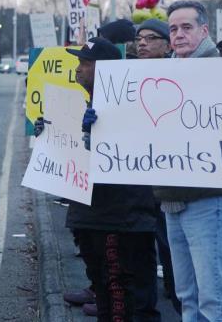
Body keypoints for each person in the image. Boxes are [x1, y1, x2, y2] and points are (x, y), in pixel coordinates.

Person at [153, 0, 222, 322]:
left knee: (213, 297)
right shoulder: (157, 78)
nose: (178, 35)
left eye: (186, 27)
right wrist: (100, 126)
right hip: (170, 199)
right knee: (187, 295)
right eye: (173, 28)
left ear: (204, 31)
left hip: (206, 198)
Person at [42, 37, 159, 321]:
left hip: (119, 214)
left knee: (117, 285)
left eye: (85, 63)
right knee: (102, 285)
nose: (78, 69)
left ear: (104, 70)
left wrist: (99, 131)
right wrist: (47, 134)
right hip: (90, 210)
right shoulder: (83, 104)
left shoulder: (133, 105)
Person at [134, 19, 181, 315]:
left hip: (170, 178)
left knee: (171, 249)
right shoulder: (124, 77)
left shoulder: (181, 76)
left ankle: (179, 301)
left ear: (167, 45)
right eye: (139, 38)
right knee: (139, 253)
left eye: (150, 38)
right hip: (135, 179)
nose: (142, 43)